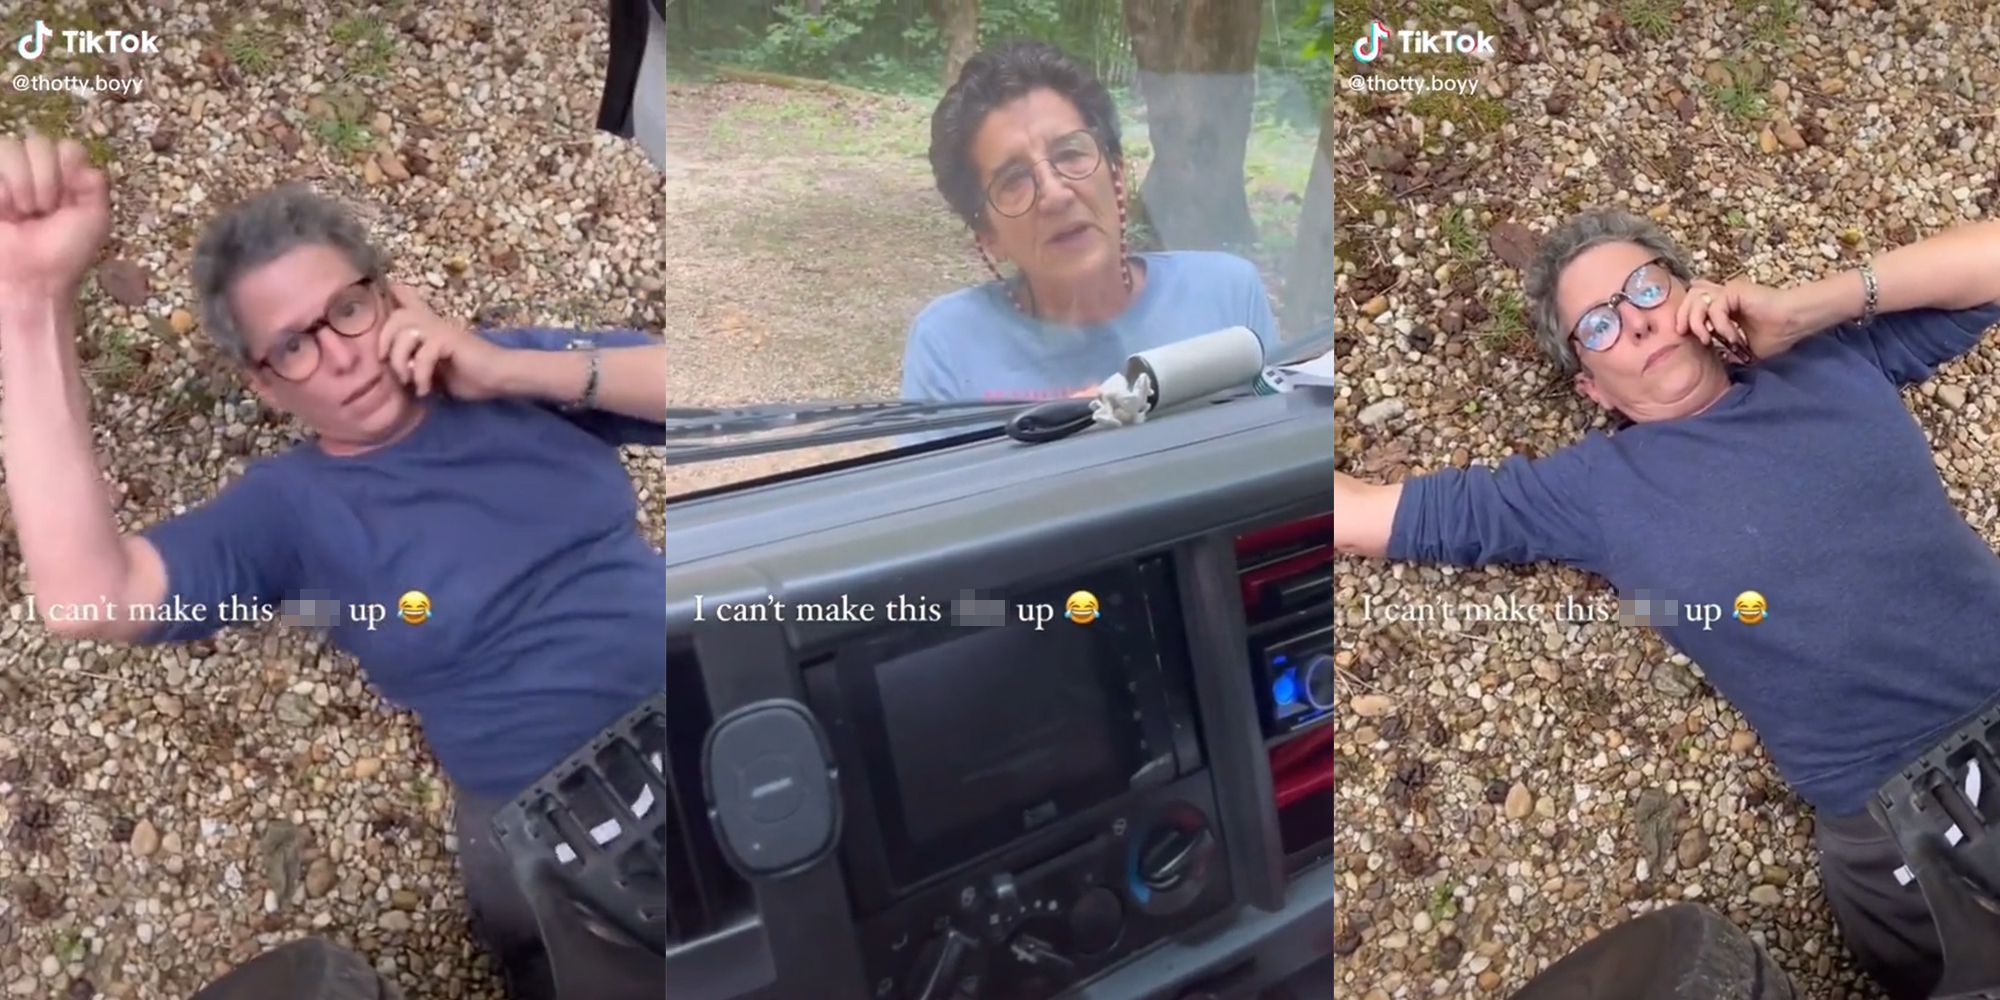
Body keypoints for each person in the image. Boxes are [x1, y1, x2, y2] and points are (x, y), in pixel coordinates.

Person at [0, 132, 665, 999]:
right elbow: (90, 599)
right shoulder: (291, 510)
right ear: (268, 385)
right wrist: (29, 297)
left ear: (389, 297)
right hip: (563, 823)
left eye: (349, 309)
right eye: (295, 346)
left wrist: (509, 368)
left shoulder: (502, 371)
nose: (343, 352)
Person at [1333, 207, 2000, 1000]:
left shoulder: (1833, 360)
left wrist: (1807, 306)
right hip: (1905, 817)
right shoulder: (1589, 491)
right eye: (1600, 325)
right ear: (1590, 385)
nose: (1638, 322)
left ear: (1695, 294)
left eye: (1645, 287)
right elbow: (1356, 513)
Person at [901, 39, 1282, 403]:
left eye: (1070, 153)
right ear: (988, 236)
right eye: (1014, 180)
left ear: (1117, 173)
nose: (1055, 194)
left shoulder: (1226, 298)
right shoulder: (949, 346)